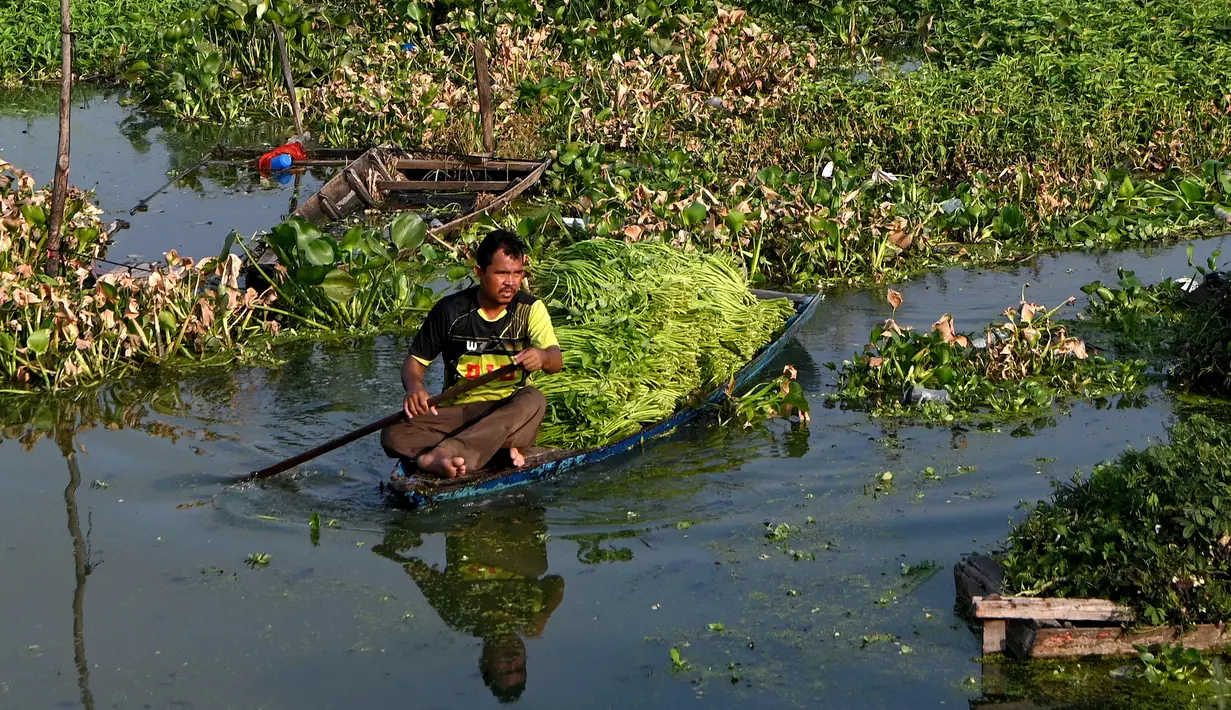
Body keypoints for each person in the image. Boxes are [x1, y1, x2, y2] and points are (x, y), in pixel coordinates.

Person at [380, 230, 563, 478]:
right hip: (459, 413)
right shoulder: (450, 311)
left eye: (517, 273)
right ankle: (496, 451)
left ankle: (443, 453)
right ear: (479, 273)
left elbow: (555, 360)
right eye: (501, 273)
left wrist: (542, 357)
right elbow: (414, 363)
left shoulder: (530, 309)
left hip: (508, 411)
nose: (511, 282)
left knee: (534, 399)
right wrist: (415, 388)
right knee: (392, 433)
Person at [372, 506, 565, 704]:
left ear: (484, 663)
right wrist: (544, 615)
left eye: (505, 669)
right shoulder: (529, 616)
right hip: (518, 520)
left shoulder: (460, 617)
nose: (512, 660)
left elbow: (423, 575)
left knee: (535, 566)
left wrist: (415, 562)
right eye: (519, 667)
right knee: (538, 567)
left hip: (470, 524)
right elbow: (556, 582)